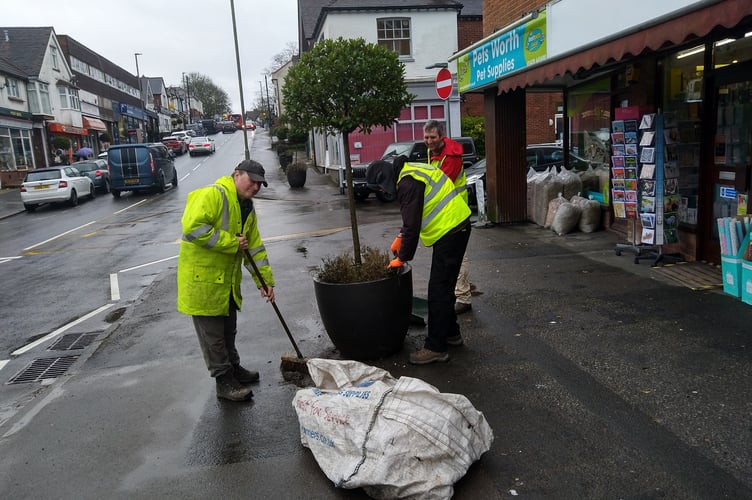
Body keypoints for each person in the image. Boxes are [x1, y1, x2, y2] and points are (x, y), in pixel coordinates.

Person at [177, 159, 275, 401]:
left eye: (259, 184)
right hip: (203, 283)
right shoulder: (213, 194)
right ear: (236, 175)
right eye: (251, 181)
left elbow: (254, 248)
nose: (255, 187)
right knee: (214, 338)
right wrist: (231, 243)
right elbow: (192, 227)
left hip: (226, 283)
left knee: (228, 331)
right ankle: (224, 382)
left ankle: (234, 369)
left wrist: (265, 282)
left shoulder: (246, 208)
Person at [367, 155, 471, 365]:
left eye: (382, 187)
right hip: (456, 227)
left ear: (386, 179)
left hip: (451, 231)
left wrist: (402, 258)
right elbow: (412, 218)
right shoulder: (411, 171)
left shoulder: (407, 183)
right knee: (445, 286)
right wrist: (400, 237)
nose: (384, 191)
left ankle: (436, 348)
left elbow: (412, 226)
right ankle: (451, 333)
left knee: (438, 292)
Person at [423, 120, 473, 315]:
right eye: (426, 137)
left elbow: (440, 185)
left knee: (459, 257)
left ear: (441, 136)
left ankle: (463, 296)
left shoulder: (451, 157)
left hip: (456, 213)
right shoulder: (432, 152)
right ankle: (460, 289)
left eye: (433, 138)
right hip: (445, 213)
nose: (429, 141)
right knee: (453, 257)